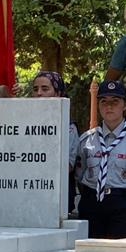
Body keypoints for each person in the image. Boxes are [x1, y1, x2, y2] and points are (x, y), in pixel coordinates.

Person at [75, 79, 126, 238]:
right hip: (92, 204)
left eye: (115, 101)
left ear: (125, 105)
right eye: (104, 101)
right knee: (91, 250)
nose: (109, 106)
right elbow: (80, 176)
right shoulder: (87, 139)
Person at [31, 70, 81, 213]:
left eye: (45, 89)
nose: (39, 93)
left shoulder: (69, 127)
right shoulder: (23, 123)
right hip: (28, 197)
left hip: (57, 199)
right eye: (35, 89)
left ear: (58, 93)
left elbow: (67, 166)